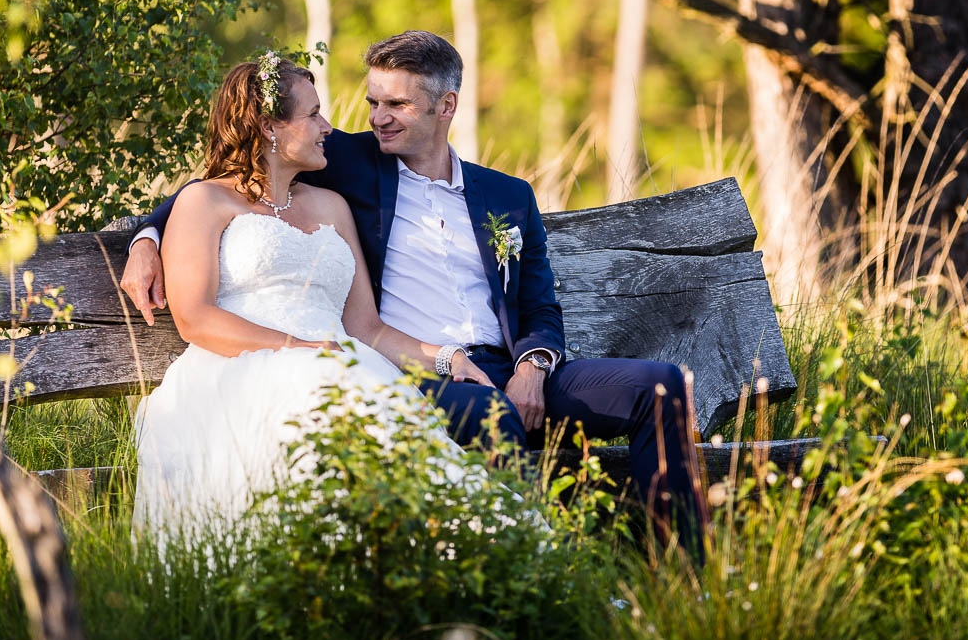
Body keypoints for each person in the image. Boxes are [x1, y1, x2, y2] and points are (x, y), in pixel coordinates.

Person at [126, 31, 705, 555]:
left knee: (662, 386)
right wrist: (146, 237)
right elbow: (225, 181)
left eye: (397, 104)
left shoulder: (507, 194)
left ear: (445, 105)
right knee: (487, 414)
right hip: (418, 373)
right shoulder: (349, 163)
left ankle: (682, 577)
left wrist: (532, 364)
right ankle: (543, 566)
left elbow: (538, 305)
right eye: (373, 101)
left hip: (509, 370)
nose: (377, 118)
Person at [132, 53, 489, 545]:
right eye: (314, 114)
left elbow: (368, 330)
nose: (328, 127)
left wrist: (446, 358)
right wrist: (298, 349)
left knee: (402, 447)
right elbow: (194, 318)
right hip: (240, 369)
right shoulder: (206, 201)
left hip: (340, 361)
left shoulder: (331, 206)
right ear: (269, 127)